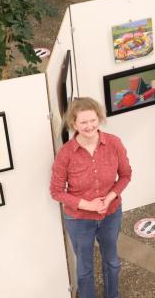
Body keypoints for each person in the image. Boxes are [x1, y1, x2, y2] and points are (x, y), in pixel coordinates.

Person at [50, 97, 132, 298]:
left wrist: (110, 198)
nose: (89, 126)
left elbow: (126, 175)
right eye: (83, 122)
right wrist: (89, 205)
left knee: (111, 261)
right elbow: (56, 191)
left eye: (93, 120)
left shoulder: (114, 143)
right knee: (85, 268)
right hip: (79, 220)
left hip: (111, 214)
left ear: (99, 118)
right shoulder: (66, 154)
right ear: (74, 124)